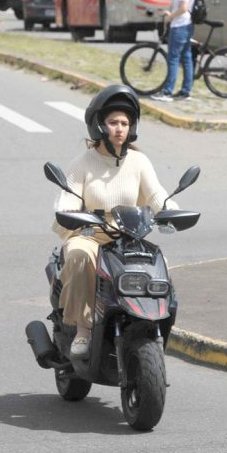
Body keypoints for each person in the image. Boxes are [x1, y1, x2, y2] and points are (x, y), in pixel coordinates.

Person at [53, 85, 177, 359]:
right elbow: (67, 198)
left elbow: (157, 194)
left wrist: (170, 211)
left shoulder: (139, 161)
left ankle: (156, 323)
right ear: (99, 125)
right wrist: (69, 212)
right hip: (89, 233)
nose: (120, 128)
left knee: (161, 263)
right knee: (78, 256)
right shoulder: (82, 162)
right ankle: (83, 328)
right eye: (113, 122)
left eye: (125, 123)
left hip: (129, 234)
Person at [152, 0, 195, 102]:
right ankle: (185, 92)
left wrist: (170, 17)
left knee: (173, 59)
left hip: (180, 26)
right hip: (186, 24)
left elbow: (183, 7)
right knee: (186, 58)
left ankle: (167, 92)